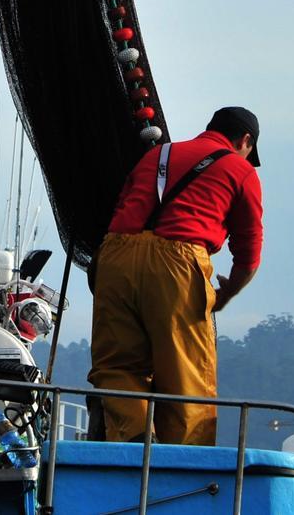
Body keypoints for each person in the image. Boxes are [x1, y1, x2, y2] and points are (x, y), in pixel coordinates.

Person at [88, 107, 263, 446]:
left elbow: (124, 205)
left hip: (115, 256)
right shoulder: (240, 170)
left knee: (117, 366)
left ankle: (136, 437)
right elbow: (249, 253)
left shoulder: (159, 153)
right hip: (177, 262)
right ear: (246, 141)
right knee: (186, 374)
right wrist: (225, 295)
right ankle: (184, 470)